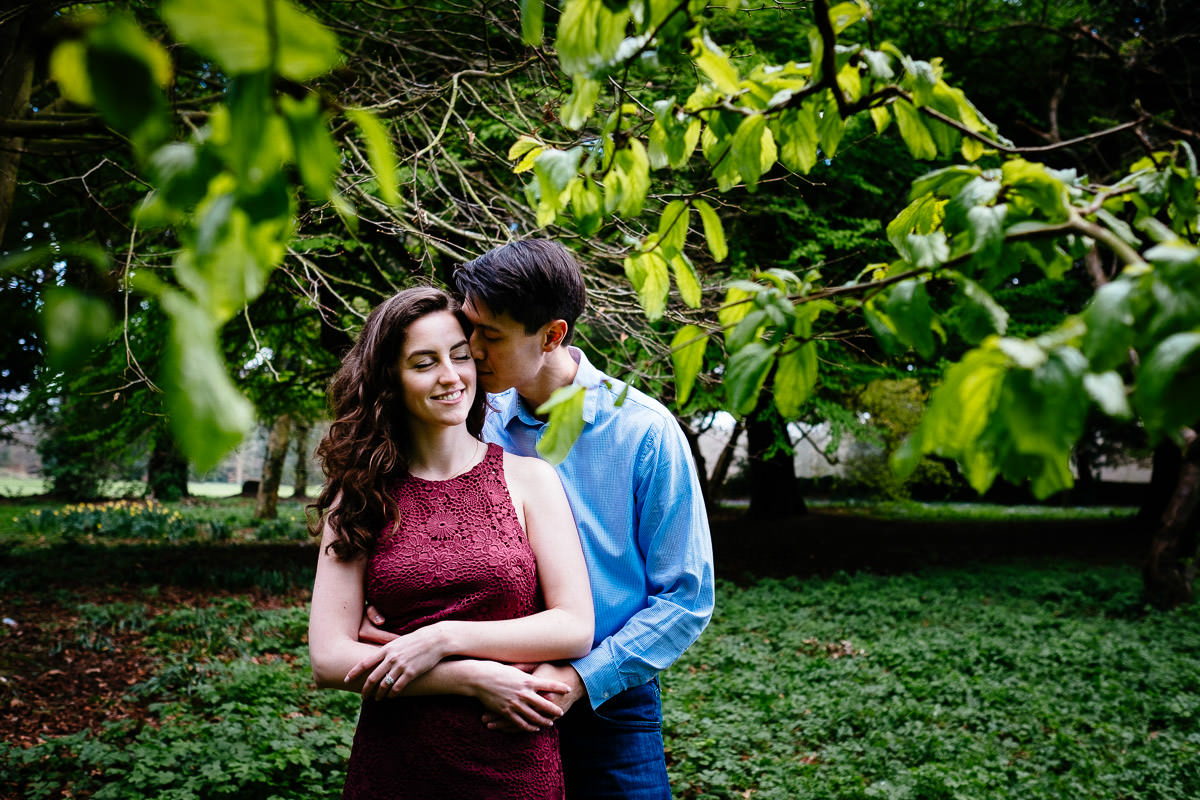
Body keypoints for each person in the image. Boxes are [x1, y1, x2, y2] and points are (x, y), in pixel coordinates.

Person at [451, 239, 715, 799]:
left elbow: (687, 598)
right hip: (486, 693)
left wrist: (580, 679)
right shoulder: (469, 424)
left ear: (552, 335)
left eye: (490, 335)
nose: (470, 350)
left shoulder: (645, 432)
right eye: (468, 328)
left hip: (611, 707)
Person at [307, 286, 594, 800]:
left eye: (459, 356)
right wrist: (472, 679)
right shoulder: (360, 497)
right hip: (396, 763)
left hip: (513, 763)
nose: (450, 376)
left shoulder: (529, 479)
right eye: (423, 363)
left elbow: (574, 627)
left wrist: (439, 639)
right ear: (390, 380)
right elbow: (329, 658)